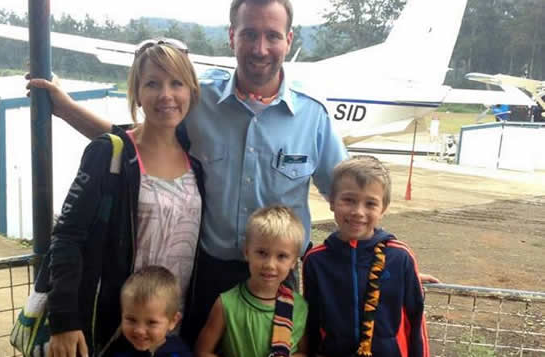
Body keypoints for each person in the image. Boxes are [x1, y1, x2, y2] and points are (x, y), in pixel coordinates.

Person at [28, 0, 436, 346]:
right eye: (249, 34)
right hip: (208, 275)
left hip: (278, 279)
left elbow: (353, 202)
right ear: (232, 37)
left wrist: (391, 258)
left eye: (273, 36)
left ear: (289, 40)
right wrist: (64, 109)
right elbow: (139, 144)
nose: (261, 48)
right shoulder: (197, 99)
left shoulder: (314, 118)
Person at [45, 39, 204, 357]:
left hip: (173, 329)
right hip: (118, 330)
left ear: (191, 91)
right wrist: (64, 319)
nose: (166, 95)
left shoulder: (196, 161)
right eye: (152, 84)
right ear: (137, 94)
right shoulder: (109, 154)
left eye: (176, 83)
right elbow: (67, 236)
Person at [302, 156, 429, 357]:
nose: (358, 212)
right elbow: (311, 322)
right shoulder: (316, 261)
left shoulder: (400, 257)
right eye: (349, 200)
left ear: (383, 209)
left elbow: (416, 320)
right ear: (332, 202)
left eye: (370, 204)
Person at [195, 206, 307, 357]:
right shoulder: (226, 304)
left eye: (281, 256)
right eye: (262, 253)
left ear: (294, 261)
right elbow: (202, 351)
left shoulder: (299, 307)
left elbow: (304, 352)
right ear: (247, 252)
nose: (270, 264)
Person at [100, 266, 192, 356]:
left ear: (173, 321)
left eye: (151, 322)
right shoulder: (116, 349)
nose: (139, 330)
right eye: (131, 320)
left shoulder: (179, 353)